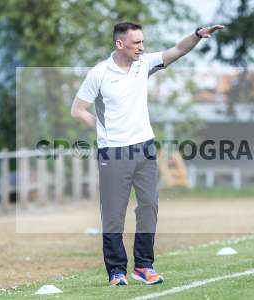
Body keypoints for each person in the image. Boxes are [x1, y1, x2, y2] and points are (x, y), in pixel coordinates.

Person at [71, 22, 224, 286]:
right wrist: (103, 128)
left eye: (142, 42)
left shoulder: (144, 64)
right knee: (113, 214)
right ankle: (117, 271)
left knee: (149, 207)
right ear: (120, 44)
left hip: (145, 148)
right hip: (114, 152)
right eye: (136, 43)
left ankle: (144, 266)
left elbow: (177, 50)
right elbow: (78, 109)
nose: (142, 47)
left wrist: (198, 35)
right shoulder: (99, 73)